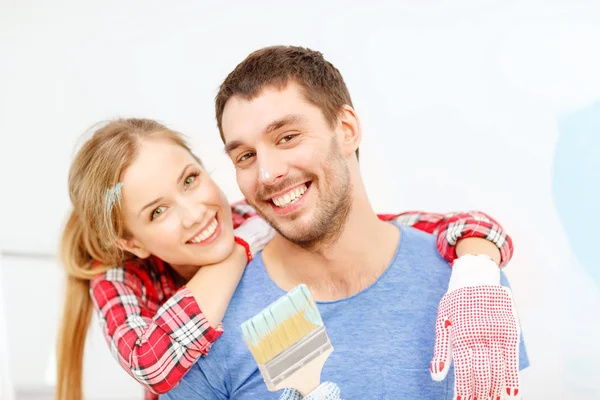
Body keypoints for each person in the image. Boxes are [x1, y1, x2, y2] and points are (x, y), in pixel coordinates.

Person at [162, 46, 529, 400]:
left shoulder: (468, 289)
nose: (268, 173)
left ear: (346, 129)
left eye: (287, 137)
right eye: (245, 156)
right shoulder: (212, 324)